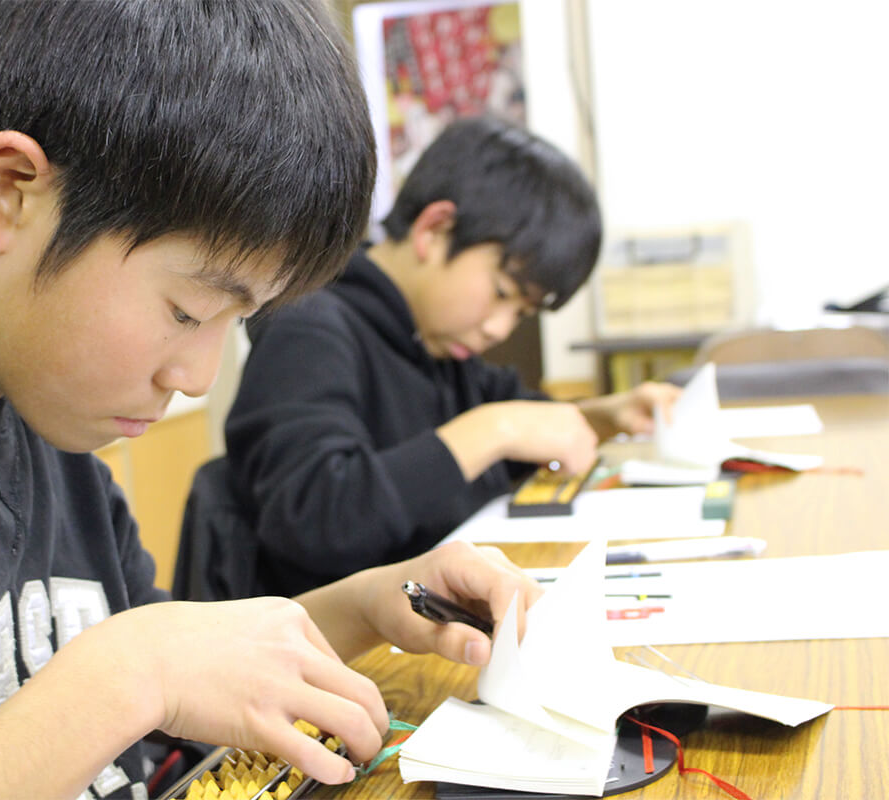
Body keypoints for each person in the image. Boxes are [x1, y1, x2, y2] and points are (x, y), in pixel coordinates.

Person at [0, 3, 544, 799]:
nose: (198, 376)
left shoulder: (43, 395)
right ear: (9, 191)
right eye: (187, 310)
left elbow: (172, 680)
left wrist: (368, 606)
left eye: (235, 321)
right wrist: (131, 674)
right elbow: (140, 675)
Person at [221, 113, 681, 598]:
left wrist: (607, 416)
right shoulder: (310, 326)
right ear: (435, 229)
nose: (499, 328)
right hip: (339, 654)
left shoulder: (434, 340)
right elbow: (317, 518)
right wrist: (494, 429)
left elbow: (525, 425)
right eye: (502, 293)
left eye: (520, 313)